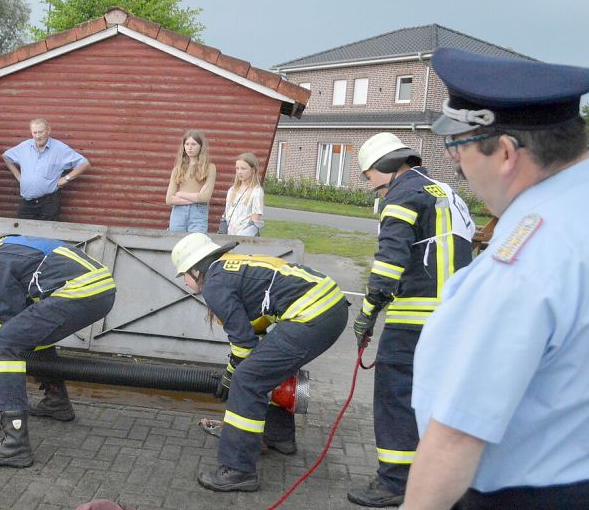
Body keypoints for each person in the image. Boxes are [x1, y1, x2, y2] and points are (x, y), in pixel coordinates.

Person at [401, 49, 589, 510]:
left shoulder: (525, 262)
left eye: (458, 146)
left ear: (504, 152)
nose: (461, 168)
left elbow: (456, 437)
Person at [346, 131, 475, 507]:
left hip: (416, 317)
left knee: (396, 396)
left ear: (384, 167)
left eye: (369, 176)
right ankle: (441, 479)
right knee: (436, 400)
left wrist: (367, 314)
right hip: (456, 316)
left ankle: (395, 481)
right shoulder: (445, 192)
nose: (373, 187)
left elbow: (388, 264)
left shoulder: (402, 194)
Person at [170, 233, 348, 492]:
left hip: (313, 316)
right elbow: (255, 336)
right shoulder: (232, 267)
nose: (184, 282)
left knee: (247, 380)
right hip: (329, 307)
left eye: (183, 274)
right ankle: (279, 436)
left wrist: (231, 377)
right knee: (262, 370)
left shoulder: (214, 284)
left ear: (197, 269)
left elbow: (243, 345)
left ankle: (238, 469)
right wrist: (233, 369)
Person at [0, 228, 116, 468]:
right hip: (102, 289)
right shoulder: (19, 244)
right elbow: (24, 313)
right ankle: (57, 400)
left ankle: (14, 444)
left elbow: (11, 309)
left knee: (4, 345)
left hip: (79, 291)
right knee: (30, 335)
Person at [3, 118, 89, 221]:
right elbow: (6, 156)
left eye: (41, 132)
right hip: (27, 203)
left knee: (47, 235)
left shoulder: (60, 149)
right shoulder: (24, 147)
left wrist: (66, 178)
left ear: (48, 131)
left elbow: (84, 164)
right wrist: (18, 176)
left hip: (48, 203)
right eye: (35, 133)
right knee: (23, 233)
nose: (38, 136)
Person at [166, 130, 216, 233]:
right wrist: (195, 197)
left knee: (196, 243)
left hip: (198, 212)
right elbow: (169, 199)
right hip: (178, 212)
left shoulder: (210, 168)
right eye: (187, 144)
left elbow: (205, 197)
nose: (190, 147)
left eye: (193, 144)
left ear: (201, 146)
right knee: (176, 242)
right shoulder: (177, 169)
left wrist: (180, 194)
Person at [222, 152, 265, 236]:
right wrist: (222, 230)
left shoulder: (256, 191)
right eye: (237, 168)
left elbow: (255, 220)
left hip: (246, 237)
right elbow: (226, 214)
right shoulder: (232, 190)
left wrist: (243, 237)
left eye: (243, 168)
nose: (239, 172)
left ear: (252, 170)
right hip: (229, 235)